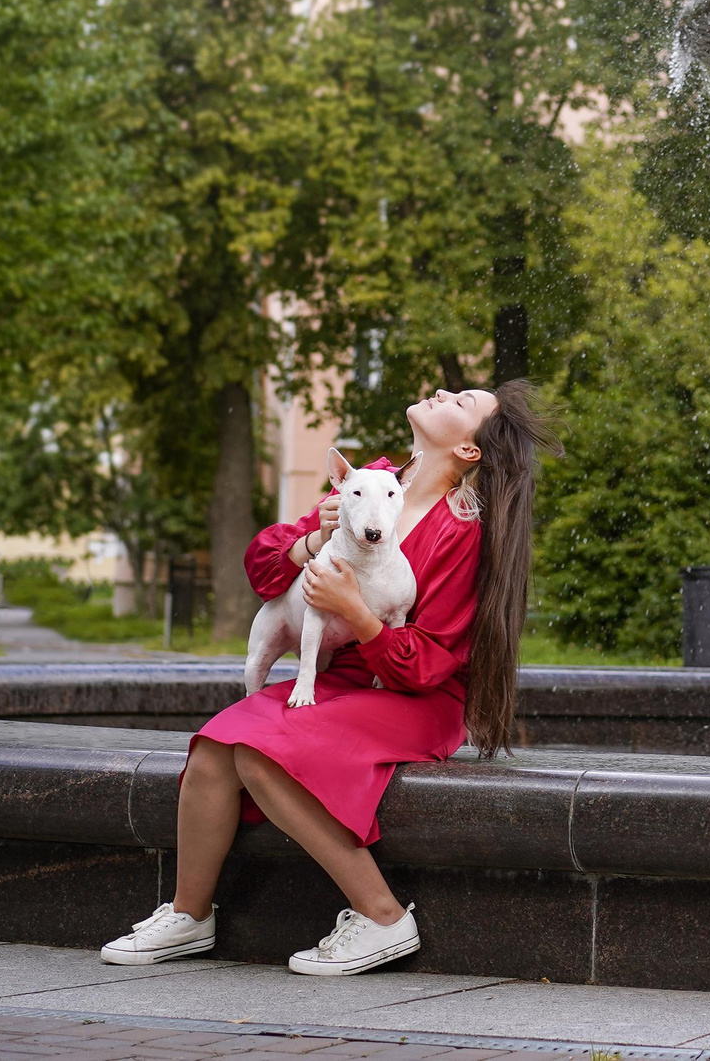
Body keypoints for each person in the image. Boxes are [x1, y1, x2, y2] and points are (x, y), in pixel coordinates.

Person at [99, 380, 555, 975]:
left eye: (462, 402)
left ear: (470, 451)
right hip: (339, 680)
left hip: (416, 697)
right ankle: (190, 916)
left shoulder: (460, 528)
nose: (442, 391)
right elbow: (266, 570)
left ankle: (384, 918)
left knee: (263, 754)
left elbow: (429, 663)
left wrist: (360, 615)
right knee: (215, 746)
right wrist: (312, 539)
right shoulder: (366, 485)